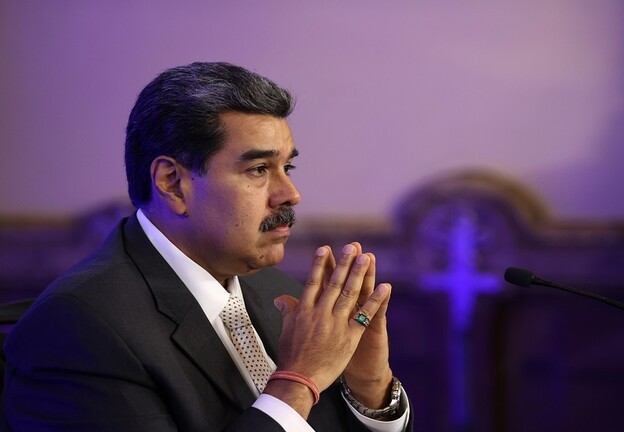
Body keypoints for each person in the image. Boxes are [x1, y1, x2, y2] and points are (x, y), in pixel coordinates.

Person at [1, 62, 412, 431]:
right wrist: (297, 382)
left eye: (287, 167)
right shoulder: (79, 327)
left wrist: (370, 388)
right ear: (172, 184)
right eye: (258, 169)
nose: (290, 193)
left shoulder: (278, 293)